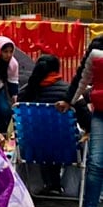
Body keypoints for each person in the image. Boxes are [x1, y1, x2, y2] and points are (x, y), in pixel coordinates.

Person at [19, 54, 90, 196]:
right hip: (66, 147)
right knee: (82, 140)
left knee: (41, 138)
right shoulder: (70, 91)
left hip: (33, 148)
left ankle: (41, 185)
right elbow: (87, 121)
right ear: (57, 70)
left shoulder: (25, 93)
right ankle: (71, 188)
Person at [59, 38, 103, 207]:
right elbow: (82, 77)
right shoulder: (97, 48)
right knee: (95, 163)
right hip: (100, 114)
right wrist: (69, 100)